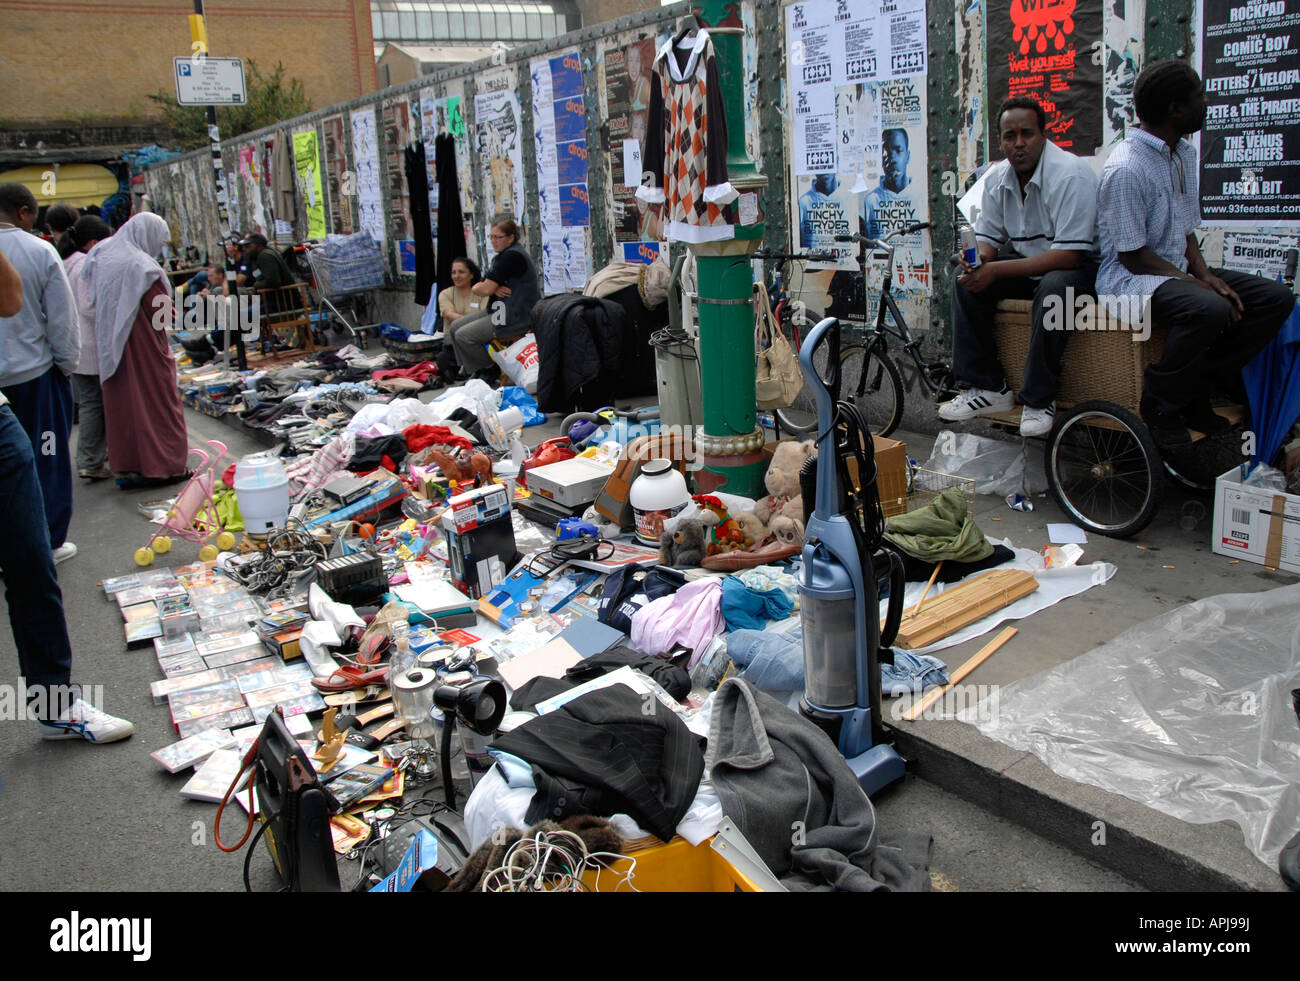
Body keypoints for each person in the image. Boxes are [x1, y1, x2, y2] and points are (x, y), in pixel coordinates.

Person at [1098, 59, 1294, 448]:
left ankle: (1196, 388)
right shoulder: (1125, 167)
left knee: (1276, 299)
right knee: (1212, 307)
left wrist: (1205, 275)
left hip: (1174, 271)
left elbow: (1186, 227)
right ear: (1176, 109)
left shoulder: (1182, 154)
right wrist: (1198, 285)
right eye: (1199, 96)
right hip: (1129, 280)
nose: (1206, 103)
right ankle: (1160, 402)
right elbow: (1132, 256)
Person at [0, 246, 134, 743]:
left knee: (33, 562)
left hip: (2, 414)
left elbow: (10, 300)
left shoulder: (26, 251)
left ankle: (55, 703)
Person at [938, 96, 1101, 437]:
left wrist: (995, 270)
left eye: (1027, 133)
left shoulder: (1070, 175)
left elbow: (1069, 256)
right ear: (1000, 140)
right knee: (962, 279)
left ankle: (1039, 399)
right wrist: (978, 261)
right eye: (1009, 136)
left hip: (1077, 268)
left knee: (1056, 288)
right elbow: (989, 241)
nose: (1018, 143)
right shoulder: (997, 178)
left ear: (1043, 135)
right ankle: (988, 388)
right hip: (1031, 266)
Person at [0, 183, 80, 563]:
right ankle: (48, 540)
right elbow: (62, 318)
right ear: (24, 212)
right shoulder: (38, 250)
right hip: (34, 378)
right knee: (46, 455)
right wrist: (65, 366)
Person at [82, 212, 190, 487]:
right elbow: (161, 314)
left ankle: (128, 469)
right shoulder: (142, 266)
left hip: (111, 344)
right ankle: (165, 466)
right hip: (144, 345)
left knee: (124, 407)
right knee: (157, 402)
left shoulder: (103, 254)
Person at [451, 218, 540, 382]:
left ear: (511, 237)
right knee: (455, 327)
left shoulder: (512, 257)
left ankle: (488, 370)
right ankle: (472, 368)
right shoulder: (500, 257)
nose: (493, 241)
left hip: (513, 316)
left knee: (464, 336)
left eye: (497, 237)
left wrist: (488, 287)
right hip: (498, 310)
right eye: (491, 237)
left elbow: (483, 289)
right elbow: (479, 286)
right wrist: (491, 287)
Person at [63, 215, 114, 480]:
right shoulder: (84, 264)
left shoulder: (70, 262)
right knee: (95, 404)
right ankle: (91, 461)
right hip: (91, 345)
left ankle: (93, 457)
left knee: (91, 403)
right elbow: (88, 306)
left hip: (79, 344)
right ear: (93, 242)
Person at [861, 129, 914, 240]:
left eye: (898, 151)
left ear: (908, 156)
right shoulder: (871, 200)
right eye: (886, 153)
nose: (892, 159)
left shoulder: (919, 197)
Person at [437, 257, 484, 331]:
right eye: (453, 273)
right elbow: (449, 315)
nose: (456, 276)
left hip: (478, 336)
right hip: (453, 338)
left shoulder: (481, 293)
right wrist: (474, 323)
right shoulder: (445, 294)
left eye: (461, 272)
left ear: (471, 275)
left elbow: (485, 317)